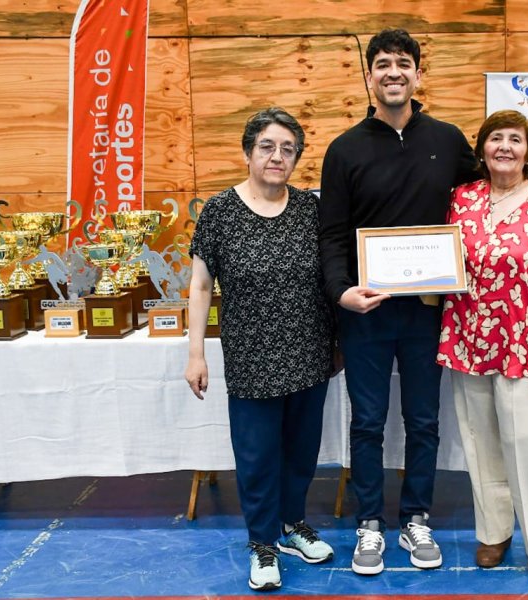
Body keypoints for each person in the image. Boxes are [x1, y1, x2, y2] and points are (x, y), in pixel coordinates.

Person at [318, 28, 479, 575]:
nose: (393, 72)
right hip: (365, 312)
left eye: (403, 63)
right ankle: (369, 524)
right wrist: (341, 292)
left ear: (417, 74)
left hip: (427, 312)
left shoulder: (448, 140)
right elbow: (331, 235)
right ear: (369, 76)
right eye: (383, 63)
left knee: (424, 420)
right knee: (367, 422)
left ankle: (416, 519)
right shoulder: (344, 149)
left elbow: (486, 195)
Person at [185, 108, 335, 592]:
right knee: (257, 457)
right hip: (251, 358)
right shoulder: (220, 212)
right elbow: (201, 287)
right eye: (267, 146)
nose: (277, 156)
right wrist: (195, 353)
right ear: (248, 151)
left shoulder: (311, 210)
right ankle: (262, 543)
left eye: (288, 149)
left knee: (301, 452)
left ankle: (292, 525)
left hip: (310, 353)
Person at [436, 109, 528, 582]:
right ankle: (493, 533)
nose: (504, 147)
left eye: (515, 140)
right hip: (469, 341)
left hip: (525, 346)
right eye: (495, 138)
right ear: (481, 149)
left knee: (526, 446)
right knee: (480, 445)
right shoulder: (461, 198)